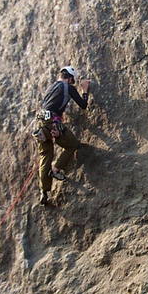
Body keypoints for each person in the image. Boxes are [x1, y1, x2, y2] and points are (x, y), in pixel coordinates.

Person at [35, 65, 91, 205]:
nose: (73, 82)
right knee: (72, 145)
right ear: (70, 78)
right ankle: (56, 169)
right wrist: (84, 90)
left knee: (45, 156)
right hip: (53, 123)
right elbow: (83, 105)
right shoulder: (68, 88)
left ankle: (44, 192)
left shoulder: (51, 87)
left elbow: (50, 105)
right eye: (73, 80)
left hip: (41, 123)